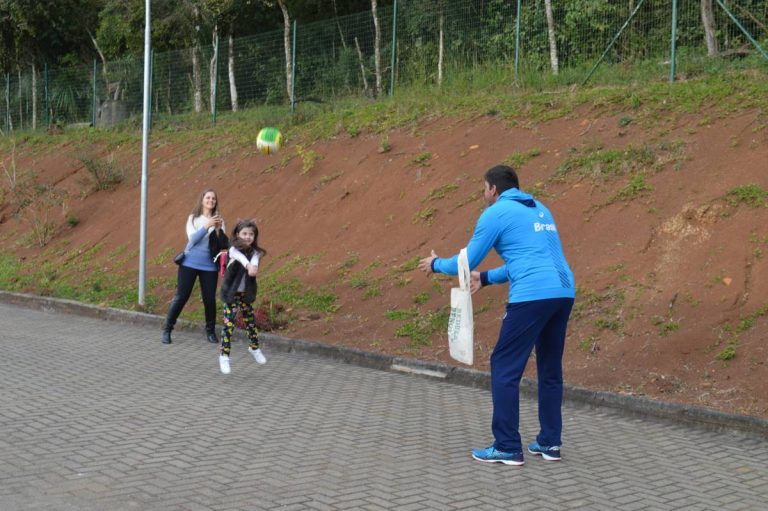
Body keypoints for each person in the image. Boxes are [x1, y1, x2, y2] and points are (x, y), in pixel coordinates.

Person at [418, 164, 575, 466]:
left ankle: (507, 446)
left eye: (484, 188)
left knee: (504, 365)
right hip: (563, 291)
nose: (483, 194)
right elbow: (529, 258)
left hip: (532, 295)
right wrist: (487, 278)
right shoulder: (540, 209)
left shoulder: (496, 213)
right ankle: (550, 442)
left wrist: (436, 264)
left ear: (492, 189)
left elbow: (467, 260)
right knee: (550, 369)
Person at [162, 189, 227, 345]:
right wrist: (207, 226)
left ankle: (210, 331)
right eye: (208, 197)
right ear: (202, 200)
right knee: (181, 296)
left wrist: (218, 229)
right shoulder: (193, 218)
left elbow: (222, 244)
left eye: (213, 198)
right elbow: (192, 239)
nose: (211, 200)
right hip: (189, 263)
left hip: (209, 266)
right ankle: (167, 329)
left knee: (209, 299)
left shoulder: (219, 220)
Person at [217, 219, 268, 375]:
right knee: (229, 326)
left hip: (245, 294)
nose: (247, 237)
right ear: (237, 234)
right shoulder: (233, 250)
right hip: (231, 295)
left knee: (251, 323)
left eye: (251, 234)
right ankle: (224, 356)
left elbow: (254, 261)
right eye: (244, 233)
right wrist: (249, 266)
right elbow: (242, 259)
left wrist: (253, 266)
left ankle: (254, 348)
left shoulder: (256, 253)